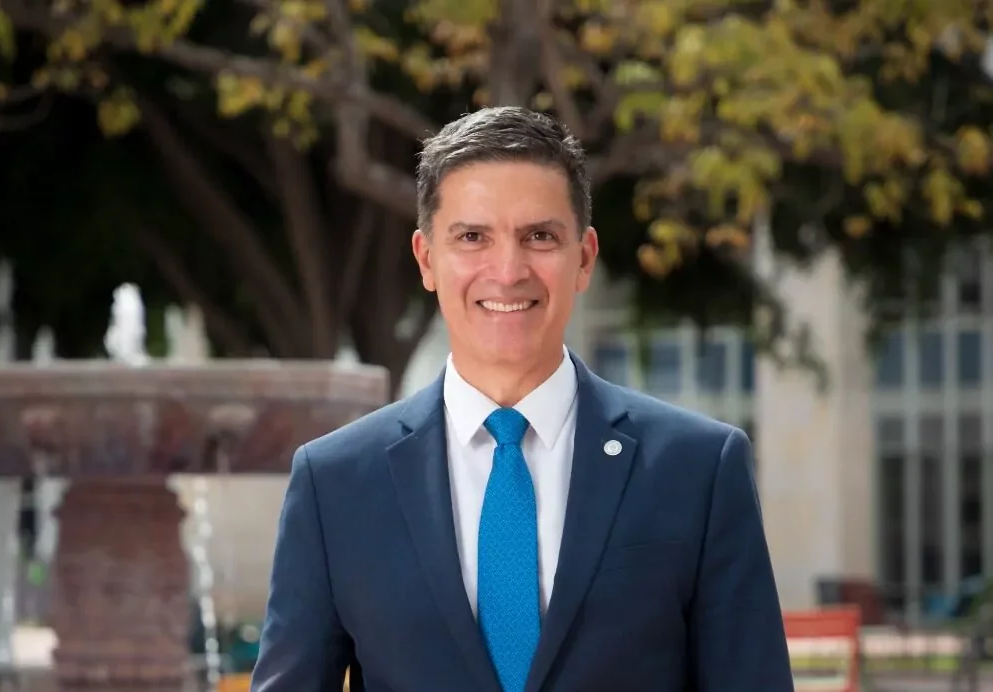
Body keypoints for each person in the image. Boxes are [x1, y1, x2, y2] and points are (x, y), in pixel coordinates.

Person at [250, 106, 794, 692]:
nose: (507, 271)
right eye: (472, 237)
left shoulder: (698, 470)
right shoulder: (334, 483)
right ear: (427, 259)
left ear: (583, 258)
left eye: (539, 236)